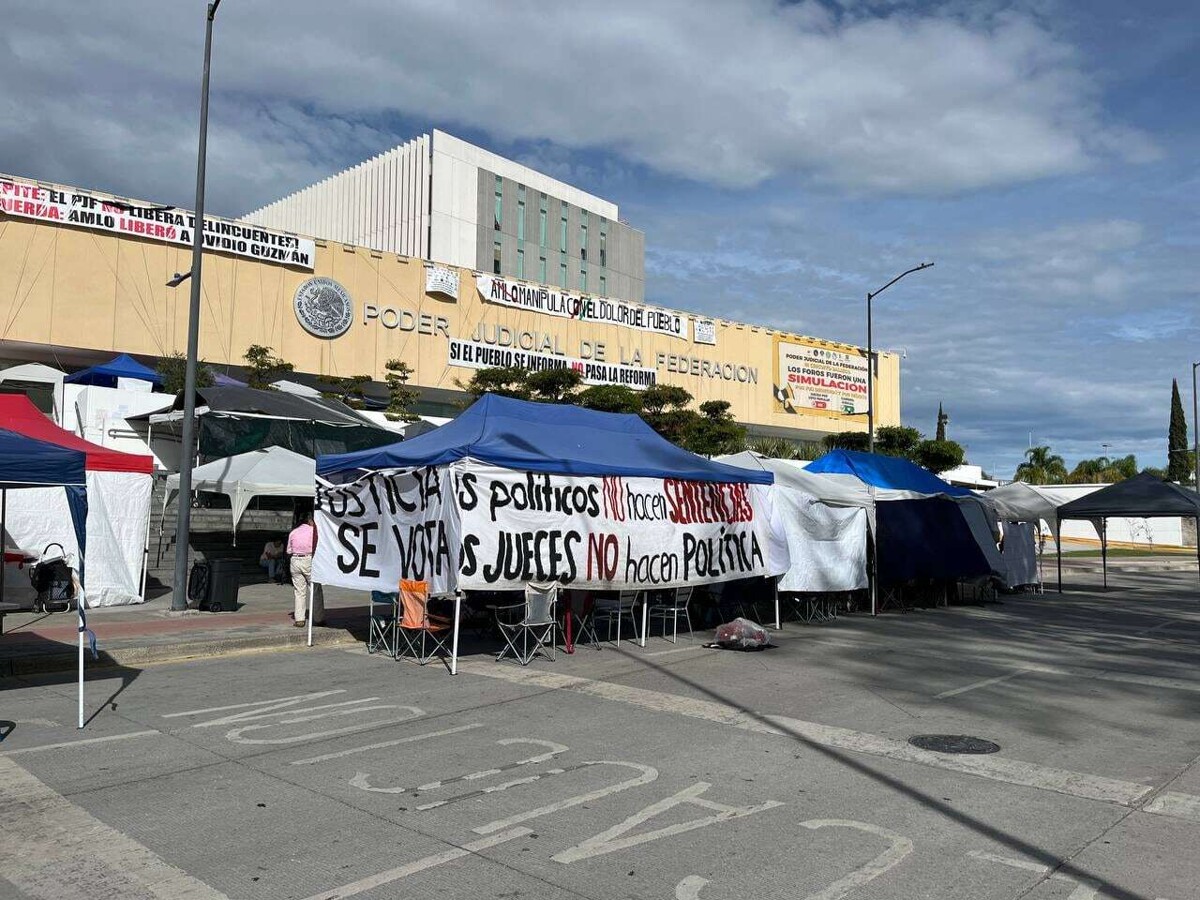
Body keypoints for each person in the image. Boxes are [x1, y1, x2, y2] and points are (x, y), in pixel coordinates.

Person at [287, 512, 324, 627]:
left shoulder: (293, 532)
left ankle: (299, 619)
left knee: (299, 591)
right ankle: (318, 618)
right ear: (310, 521)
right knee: (315, 590)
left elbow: (289, 550)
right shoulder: (313, 532)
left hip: (295, 560)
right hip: (308, 560)